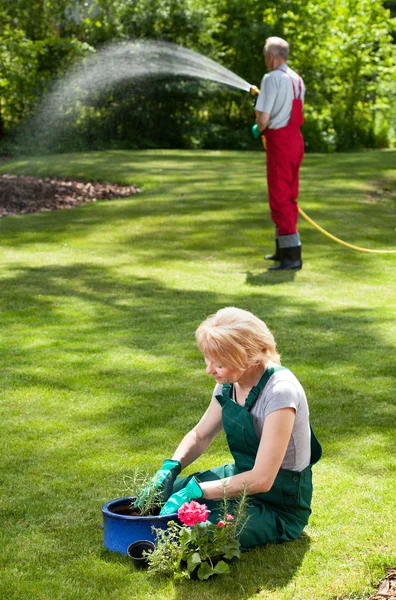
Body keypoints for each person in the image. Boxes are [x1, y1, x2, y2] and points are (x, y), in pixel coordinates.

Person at [145, 307, 321, 549]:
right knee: (161, 498)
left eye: (218, 363)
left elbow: (262, 480)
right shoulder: (229, 384)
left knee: (198, 529)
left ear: (246, 357)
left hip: (278, 502)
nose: (209, 369)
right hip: (240, 476)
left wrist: (199, 491)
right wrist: (171, 467)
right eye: (208, 359)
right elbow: (201, 434)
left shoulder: (280, 392)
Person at [255, 37, 305, 271]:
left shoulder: (271, 78)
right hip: (295, 141)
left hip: (280, 144)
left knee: (280, 199)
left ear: (272, 57)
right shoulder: (297, 79)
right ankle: (283, 249)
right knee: (289, 196)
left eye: (266, 57)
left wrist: (258, 128)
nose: (265, 61)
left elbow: (264, 118)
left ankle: (291, 258)